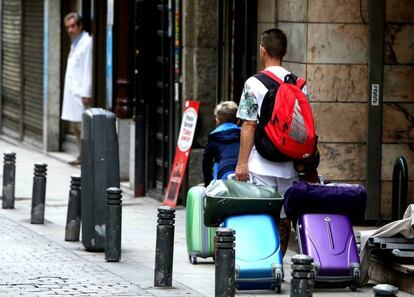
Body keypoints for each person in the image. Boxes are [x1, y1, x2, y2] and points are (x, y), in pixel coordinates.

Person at [235, 28, 310, 256]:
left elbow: (249, 125)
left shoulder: (254, 83)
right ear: (285, 51)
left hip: (261, 162)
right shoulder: (299, 84)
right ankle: (279, 262)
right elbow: (304, 127)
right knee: (284, 216)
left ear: (262, 50)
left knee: (262, 213)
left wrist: (242, 163)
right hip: (289, 163)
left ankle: (263, 261)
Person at [61, 12, 93, 166]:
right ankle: (81, 156)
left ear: (80, 26)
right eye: (68, 27)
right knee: (76, 126)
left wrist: (86, 92)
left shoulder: (87, 42)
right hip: (73, 93)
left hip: (81, 93)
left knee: (83, 127)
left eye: (73, 26)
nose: (70, 30)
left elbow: (88, 68)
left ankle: (87, 158)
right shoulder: (75, 43)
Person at [202, 101, 240, 187]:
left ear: (217, 121)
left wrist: (208, 183)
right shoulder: (244, 135)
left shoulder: (214, 138)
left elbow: (206, 163)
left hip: (221, 182)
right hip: (245, 178)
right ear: (238, 121)